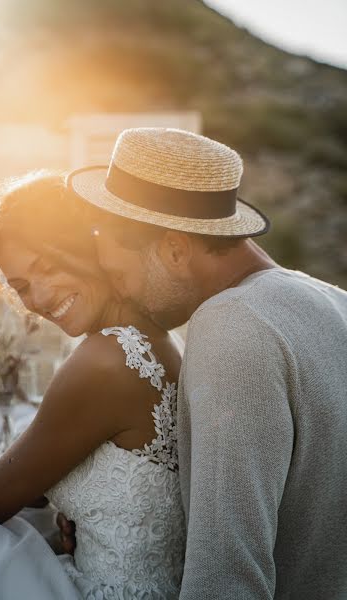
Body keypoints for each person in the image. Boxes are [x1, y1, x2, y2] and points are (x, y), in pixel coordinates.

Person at [57, 127, 347, 600]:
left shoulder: (233, 324)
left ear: (174, 249)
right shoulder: (334, 301)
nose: (122, 293)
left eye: (119, 274)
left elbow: (227, 578)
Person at [0, 171, 186, 599]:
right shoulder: (156, 340)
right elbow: (38, 488)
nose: (37, 297)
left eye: (47, 267)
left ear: (91, 247)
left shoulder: (107, 358)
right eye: (20, 286)